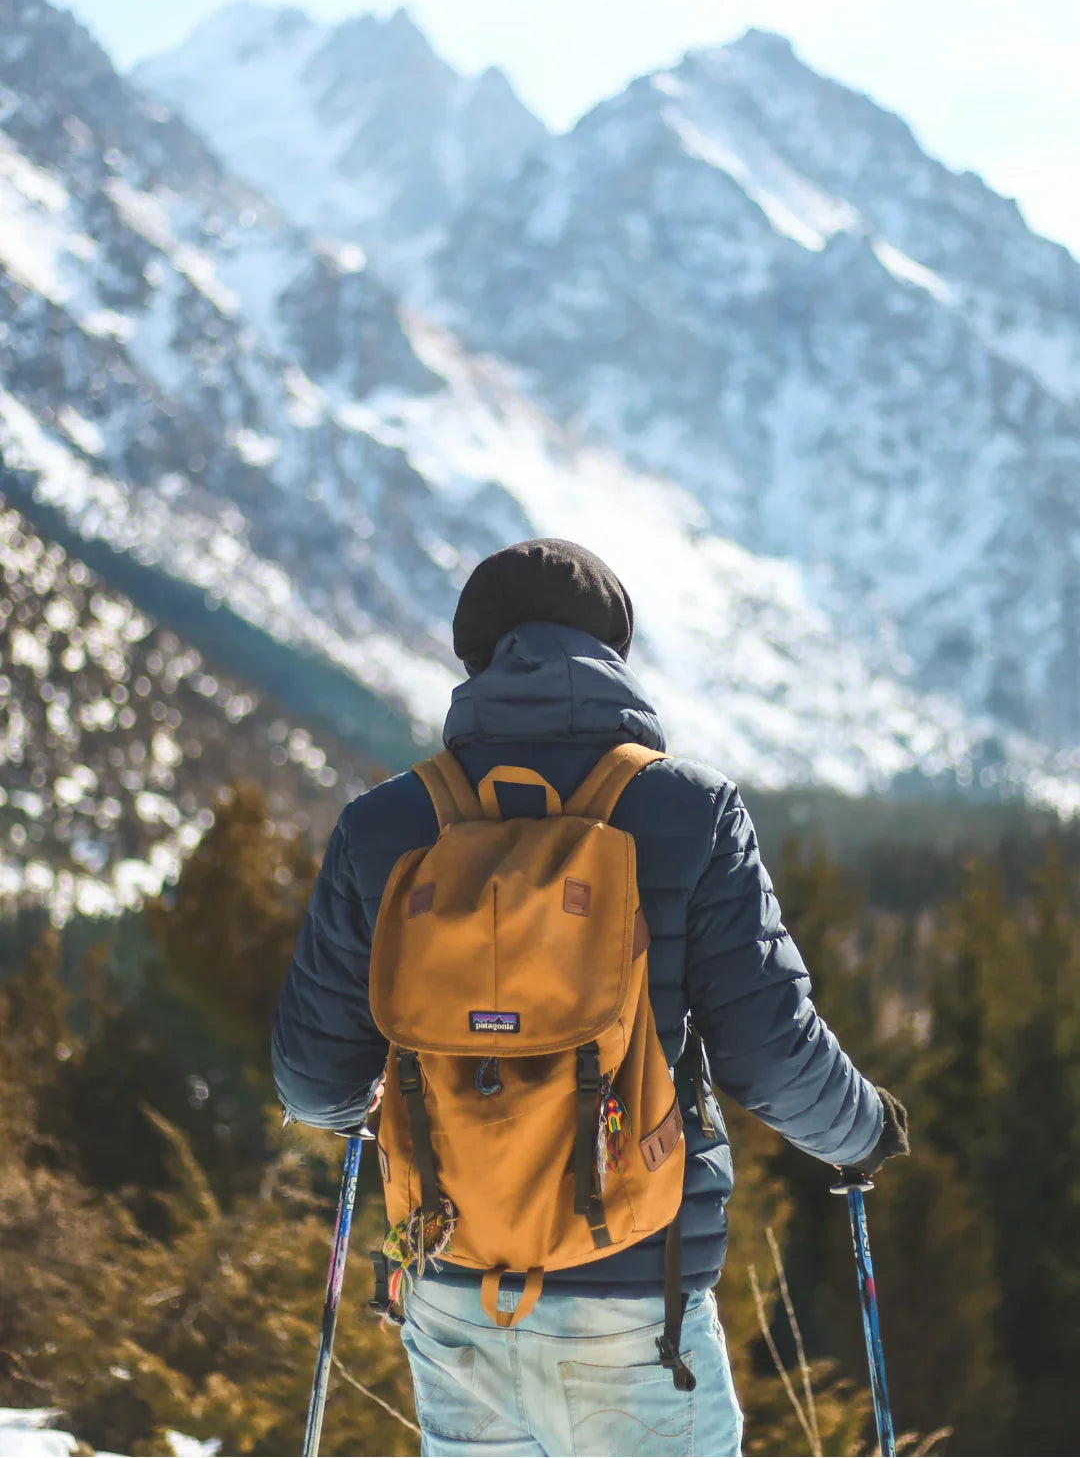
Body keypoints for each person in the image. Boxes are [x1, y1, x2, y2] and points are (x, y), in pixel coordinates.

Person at [272, 538, 909, 1458]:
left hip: (454, 1283)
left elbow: (312, 1082)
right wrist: (861, 1134)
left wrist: (381, 1102)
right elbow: (770, 1052)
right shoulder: (690, 812)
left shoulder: (387, 826)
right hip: (636, 1295)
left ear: (475, 657)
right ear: (613, 654)